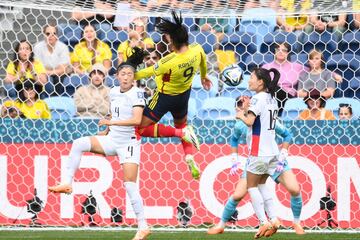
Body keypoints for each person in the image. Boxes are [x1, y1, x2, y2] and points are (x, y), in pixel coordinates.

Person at [48, 48, 150, 240]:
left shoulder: (137, 94)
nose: (126, 77)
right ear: (117, 76)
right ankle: (67, 183)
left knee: (129, 186)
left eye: (129, 74)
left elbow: (136, 120)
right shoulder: (113, 92)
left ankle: (143, 226)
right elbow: (115, 114)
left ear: (133, 77)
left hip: (128, 144)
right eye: (123, 74)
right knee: (79, 143)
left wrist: (110, 123)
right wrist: (106, 130)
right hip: (112, 139)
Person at [208, 95, 304, 236]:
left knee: (294, 189)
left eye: (248, 99)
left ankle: (296, 222)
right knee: (238, 195)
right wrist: (234, 159)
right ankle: (221, 225)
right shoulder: (240, 124)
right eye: (241, 101)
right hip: (255, 160)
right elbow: (234, 139)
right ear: (239, 107)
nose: (246, 101)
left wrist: (283, 155)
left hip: (274, 159)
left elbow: (287, 135)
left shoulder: (265, 119)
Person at [134, 10, 212, 180]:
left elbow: (146, 72)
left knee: (140, 128)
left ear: (174, 42)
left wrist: (129, 74)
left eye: (169, 39)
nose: (168, 42)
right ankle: (189, 157)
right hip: (184, 96)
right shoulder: (197, 49)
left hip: (164, 98)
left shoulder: (168, 61)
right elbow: (204, 62)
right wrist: (204, 76)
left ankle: (180, 134)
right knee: (182, 125)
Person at [235, 67, 281, 238]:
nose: (249, 80)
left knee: (251, 186)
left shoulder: (257, 98)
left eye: (252, 77)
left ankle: (263, 222)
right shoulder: (271, 98)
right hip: (272, 152)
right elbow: (259, 119)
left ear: (261, 82)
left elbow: (250, 122)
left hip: (258, 151)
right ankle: (274, 219)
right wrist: (247, 108)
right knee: (262, 184)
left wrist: (241, 113)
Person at [262, 42, 305, 116]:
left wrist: (330, 74)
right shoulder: (266, 67)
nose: (281, 52)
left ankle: (274, 117)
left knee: (276, 88)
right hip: (271, 96)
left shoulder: (297, 67)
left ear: (288, 53)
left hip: (289, 97)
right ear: (274, 52)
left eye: (284, 50)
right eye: (278, 50)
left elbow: (314, 71)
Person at [34, 23, 71, 96]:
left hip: (60, 74)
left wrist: (47, 71)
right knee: (41, 78)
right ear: (44, 35)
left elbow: (62, 69)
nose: (51, 36)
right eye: (48, 33)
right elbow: (37, 67)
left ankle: (54, 101)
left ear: (57, 36)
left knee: (58, 78)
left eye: (54, 33)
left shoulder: (63, 47)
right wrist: (48, 72)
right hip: (43, 74)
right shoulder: (38, 47)